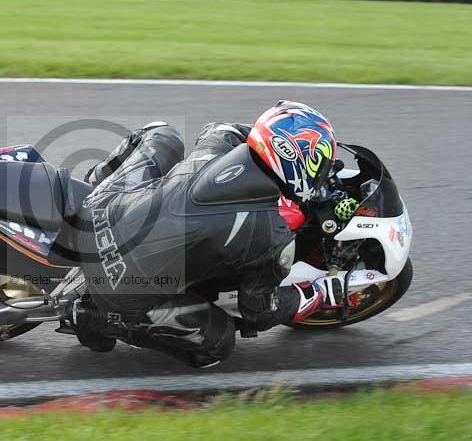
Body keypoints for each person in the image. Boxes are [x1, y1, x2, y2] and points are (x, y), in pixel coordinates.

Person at [61, 101, 346, 368]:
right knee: (218, 344)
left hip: (101, 208)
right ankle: (92, 318)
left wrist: (257, 135)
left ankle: (91, 184)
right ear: (294, 159)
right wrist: (317, 293)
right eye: (319, 160)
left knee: (162, 134)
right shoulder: (271, 234)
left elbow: (220, 128)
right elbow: (260, 312)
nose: (322, 168)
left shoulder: (218, 146)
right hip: (120, 284)